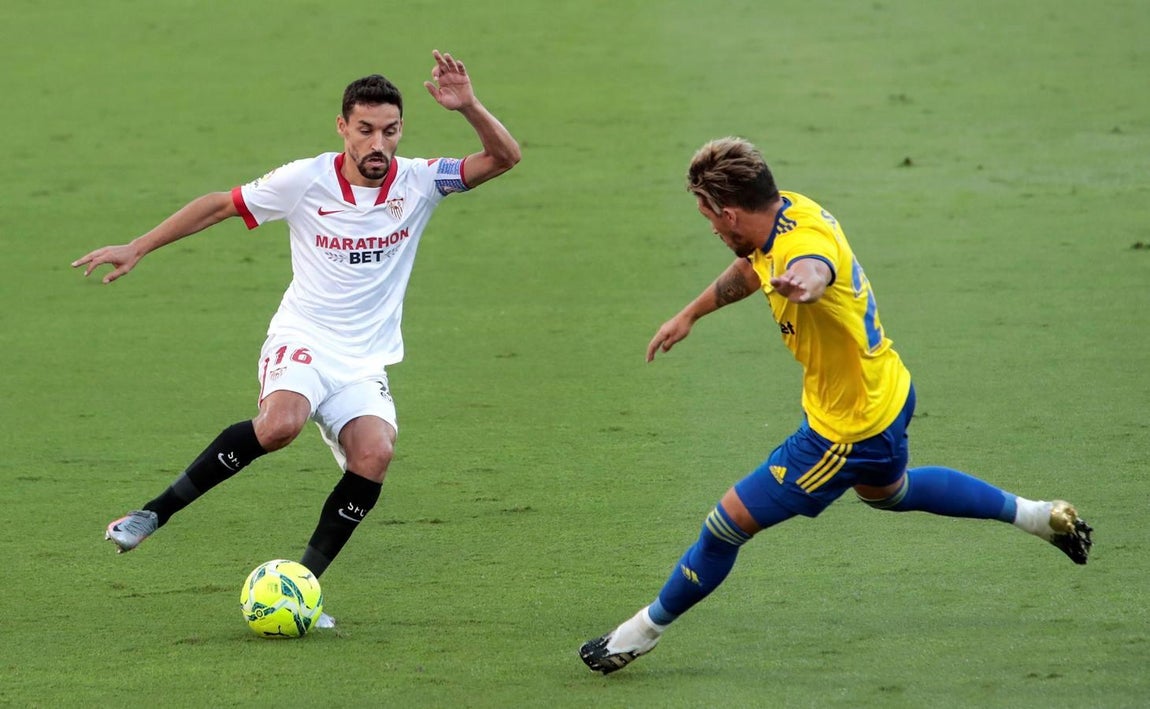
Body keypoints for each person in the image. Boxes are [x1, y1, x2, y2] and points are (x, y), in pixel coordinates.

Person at [578, 137, 1092, 674]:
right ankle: (1038, 516)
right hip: (886, 388)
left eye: (708, 216)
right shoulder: (783, 210)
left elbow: (813, 266)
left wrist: (806, 283)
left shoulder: (803, 248)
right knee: (892, 493)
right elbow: (754, 267)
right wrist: (691, 313)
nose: (710, 227)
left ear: (728, 211)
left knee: (723, 526)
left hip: (845, 432)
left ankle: (638, 633)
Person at [73, 50, 520, 627]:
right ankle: (151, 515)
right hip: (303, 336)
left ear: (401, 129)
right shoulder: (304, 180)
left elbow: (504, 158)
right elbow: (220, 205)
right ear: (343, 128)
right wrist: (138, 246)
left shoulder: (422, 181)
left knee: (374, 454)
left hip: (364, 360)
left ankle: (303, 587)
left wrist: (471, 107)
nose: (377, 143)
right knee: (280, 424)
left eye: (389, 130)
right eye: (365, 130)